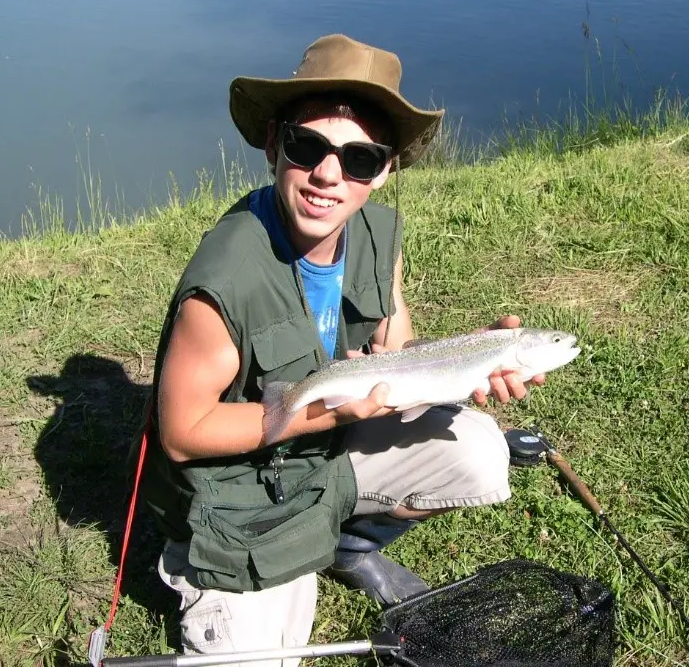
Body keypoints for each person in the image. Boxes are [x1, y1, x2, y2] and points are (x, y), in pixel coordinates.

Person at [137, 34, 548, 665]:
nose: (329, 175)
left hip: (326, 448)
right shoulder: (223, 279)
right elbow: (183, 432)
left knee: (481, 454)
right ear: (275, 144)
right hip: (244, 496)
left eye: (359, 160)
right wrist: (330, 412)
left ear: (383, 171)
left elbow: (393, 337)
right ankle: (236, 564)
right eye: (308, 148)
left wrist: (471, 358)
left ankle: (347, 544)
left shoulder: (378, 233)